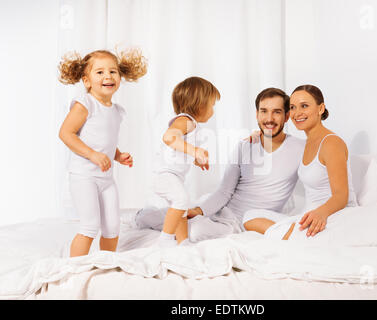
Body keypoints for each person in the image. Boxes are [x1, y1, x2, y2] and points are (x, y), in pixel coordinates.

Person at [130, 87, 305, 242]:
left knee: (195, 232)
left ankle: (159, 222)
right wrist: (199, 210)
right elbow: (224, 191)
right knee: (157, 217)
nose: (269, 118)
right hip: (219, 209)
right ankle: (144, 216)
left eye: (276, 112)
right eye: (264, 111)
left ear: (287, 116)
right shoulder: (245, 146)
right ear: (257, 114)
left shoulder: (300, 148)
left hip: (240, 221)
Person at [58, 48, 147, 257]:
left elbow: (104, 141)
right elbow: (66, 134)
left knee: (113, 227)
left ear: (120, 76)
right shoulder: (85, 104)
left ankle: (106, 263)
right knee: (90, 226)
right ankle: (76, 269)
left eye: (113, 71)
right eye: (99, 72)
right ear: (86, 80)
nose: (108, 76)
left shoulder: (115, 111)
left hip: (106, 179)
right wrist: (92, 155)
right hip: (84, 177)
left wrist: (117, 155)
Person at [242, 84, 357, 240]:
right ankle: (292, 235)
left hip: (332, 216)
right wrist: (260, 135)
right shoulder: (306, 144)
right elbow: (282, 143)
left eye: (304, 106)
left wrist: (321, 213)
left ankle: (294, 237)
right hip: (307, 216)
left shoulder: (331, 143)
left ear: (320, 108)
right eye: (293, 107)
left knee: (258, 222)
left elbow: (341, 196)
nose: (297, 113)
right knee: (250, 216)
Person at [153, 76, 220, 247]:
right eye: (212, 105)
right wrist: (195, 151)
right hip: (165, 175)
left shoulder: (193, 125)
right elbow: (169, 137)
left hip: (174, 176)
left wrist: (197, 158)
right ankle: (164, 240)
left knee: (181, 207)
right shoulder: (184, 120)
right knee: (181, 200)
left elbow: (182, 150)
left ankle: (183, 242)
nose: (213, 110)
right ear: (200, 104)